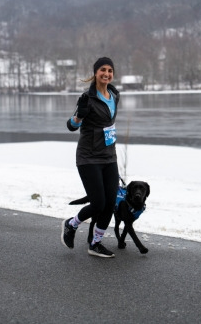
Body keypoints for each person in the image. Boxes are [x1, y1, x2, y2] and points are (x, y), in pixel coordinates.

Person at [62, 57, 120, 258]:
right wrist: (79, 116)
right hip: (88, 157)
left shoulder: (114, 94)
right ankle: (71, 224)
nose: (107, 73)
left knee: (110, 203)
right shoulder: (88, 98)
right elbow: (71, 125)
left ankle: (95, 243)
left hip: (109, 156)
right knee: (98, 203)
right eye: (103, 69)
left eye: (110, 70)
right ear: (96, 73)